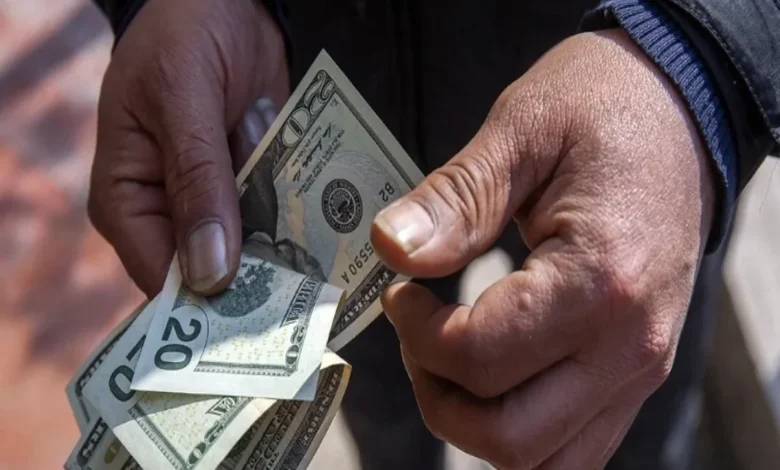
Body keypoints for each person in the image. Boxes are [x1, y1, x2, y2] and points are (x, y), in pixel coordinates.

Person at [86, 0, 780, 469]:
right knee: (387, 416)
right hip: (309, 79)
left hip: (626, 98)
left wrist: (701, 57)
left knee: (625, 429)